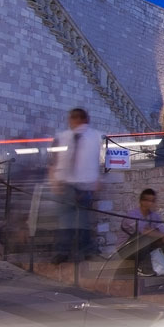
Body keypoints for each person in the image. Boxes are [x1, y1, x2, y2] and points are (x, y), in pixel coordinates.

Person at [49, 107, 103, 263]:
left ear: (85, 120)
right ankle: (63, 252)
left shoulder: (95, 137)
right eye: (74, 118)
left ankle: (85, 251)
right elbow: (53, 161)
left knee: (83, 220)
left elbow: (100, 160)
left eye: (79, 118)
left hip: (85, 185)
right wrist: (54, 181)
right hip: (65, 184)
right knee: (65, 220)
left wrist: (98, 179)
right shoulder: (62, 137)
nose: (76, 122)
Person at [119, 189, 164, 289]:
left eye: (153, 201)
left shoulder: (155, 216)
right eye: (148, 200)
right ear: (142, 201)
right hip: (127, 249)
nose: (151, 203)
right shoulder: (133, 215)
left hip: (146, 247)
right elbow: (144, 231)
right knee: (144, 237)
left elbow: (161, 233)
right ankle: (143, 268)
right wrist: (162, 235)